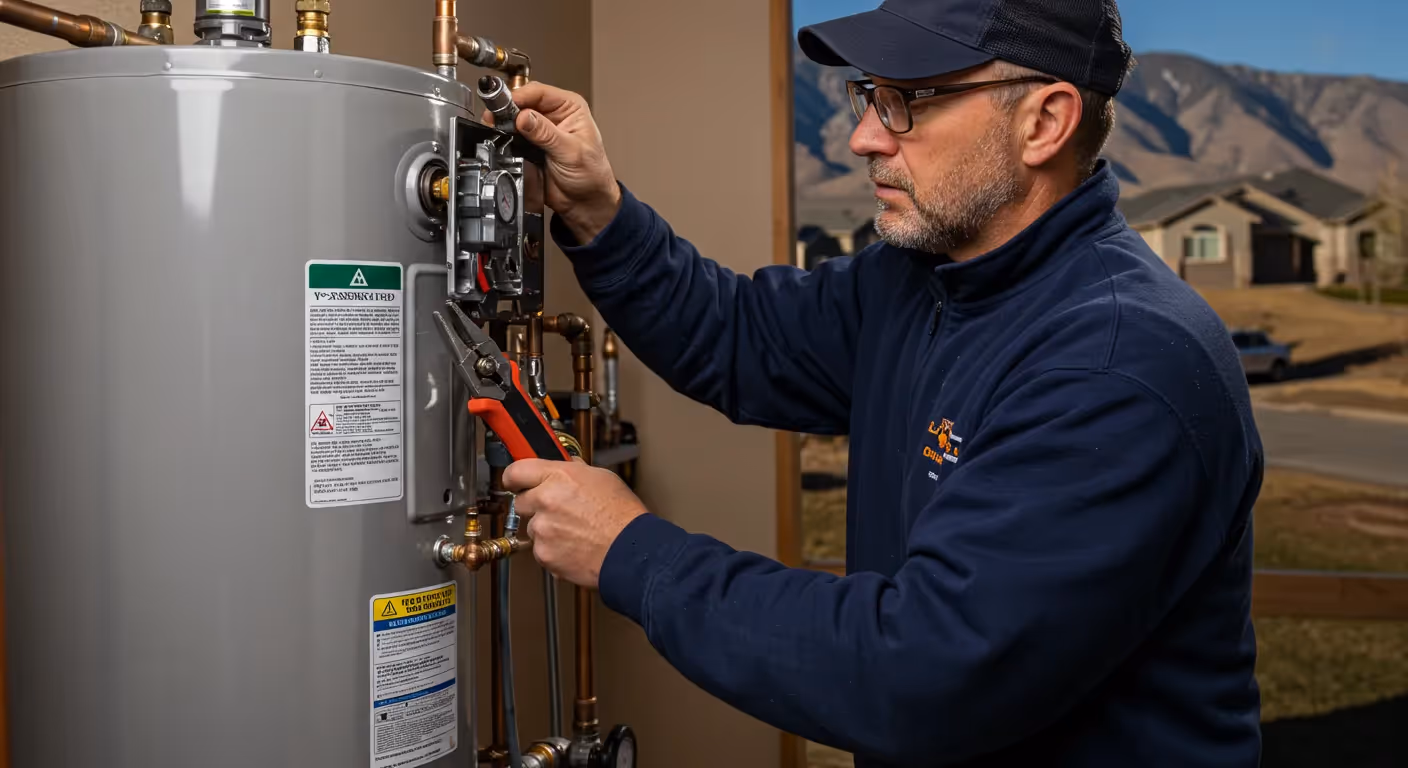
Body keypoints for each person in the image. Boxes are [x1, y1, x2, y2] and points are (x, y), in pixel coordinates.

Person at [500, 0, 1264, 765]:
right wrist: (596, 212)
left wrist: (629, 551)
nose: (863, 138)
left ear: (1044, 123)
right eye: (869, 96)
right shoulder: (926, 278)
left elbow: (927, 672)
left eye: (908, 102)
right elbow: (737, 337)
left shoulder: (1119, 362)